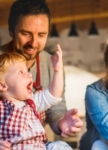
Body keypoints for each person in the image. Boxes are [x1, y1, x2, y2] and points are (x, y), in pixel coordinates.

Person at [0, 0, 83, 149]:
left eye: (41, 35)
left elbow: (56, 108)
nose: (33, 43)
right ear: (11, 30)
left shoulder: (52, 64)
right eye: (26, 34)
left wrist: (62, 122)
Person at [0, 50, 72, 149]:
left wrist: (57, 71)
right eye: (21, 72)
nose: (29, 75)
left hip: (40, 146)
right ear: (2, 85)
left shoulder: (32, 102)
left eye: (27, 71)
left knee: (60, 146)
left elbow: (54, 94)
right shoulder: (1, 108)